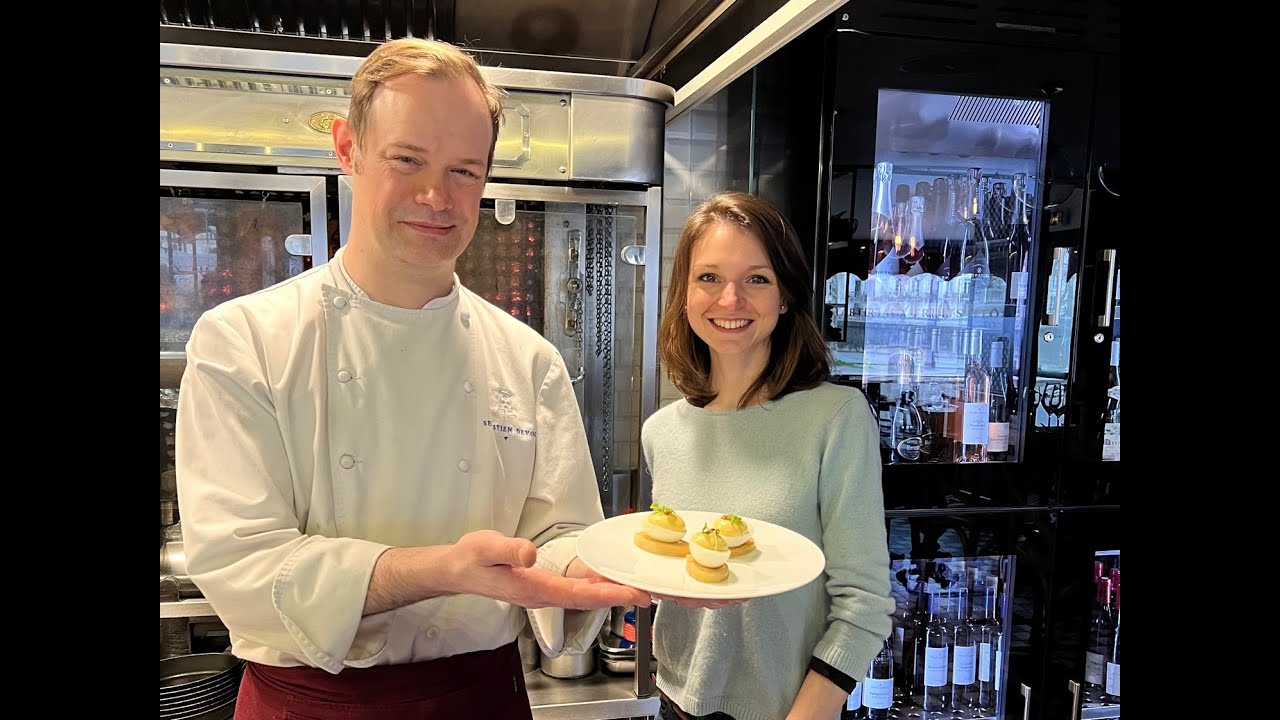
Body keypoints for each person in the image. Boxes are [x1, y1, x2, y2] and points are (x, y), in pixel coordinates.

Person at [174, 37, 650, 719]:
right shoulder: (244, 341)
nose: (437, 196)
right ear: (348, 148)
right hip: (310, 705)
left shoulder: (528, 358)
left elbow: (557, 536)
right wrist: (439, 571)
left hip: (480, 699)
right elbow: (239, 566)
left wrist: (599, 570)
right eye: (407, 160)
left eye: (464, 170)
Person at [642, 192, 894, 720]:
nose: (729, 300)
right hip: (673, 704)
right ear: (683, 296)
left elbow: (865, 605)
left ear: (785, 297)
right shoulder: (663, 432)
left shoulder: (836, 417)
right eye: (708, 278)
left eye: (756, 279)